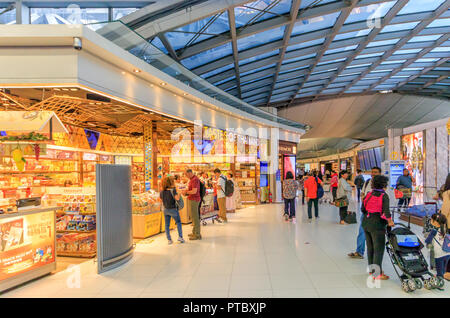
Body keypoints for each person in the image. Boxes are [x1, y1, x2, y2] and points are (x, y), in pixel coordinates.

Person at [361, 175, 395, 280]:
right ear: (384, 185)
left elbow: (363, 209)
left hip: (366, 223)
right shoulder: (383, 196)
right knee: (378, 249)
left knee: (370, 248)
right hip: (377, 224)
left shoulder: (369, 194)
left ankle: (372, 270)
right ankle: (377, 273)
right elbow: (386, 212)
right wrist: (390, 221)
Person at [348, 166, 382, 259]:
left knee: (376, 234)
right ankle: (359, 252)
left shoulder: (383, 184)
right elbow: (362, 193)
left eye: (375, 172)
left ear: (380, 173)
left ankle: (376, 254)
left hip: (377, 214)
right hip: (366, 211)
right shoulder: (367, 182)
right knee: (362, 231)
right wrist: (364, 199)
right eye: (372, 172)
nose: (373, 174)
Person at [424, 214, 450, 288]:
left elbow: (427, 240)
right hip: (448, 252)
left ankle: (439, 282)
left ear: (435, 222)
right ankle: (442, 277)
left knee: (439, 269)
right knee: (443, 268)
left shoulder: (434, 231)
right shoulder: (446, 229)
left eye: (432, 220)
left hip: (439, 254)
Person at [159, 176, 184, 244]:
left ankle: (169, 240)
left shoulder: (162, 191)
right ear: (171, 182)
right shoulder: (173, 190)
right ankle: (180, 237)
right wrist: (179, 193)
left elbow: (161, 200)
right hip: (173, 209)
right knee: (178, 222)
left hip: (166, 210)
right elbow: (177, 199)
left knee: (167, 225)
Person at [182, 169, 202, 240]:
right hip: (193, 199)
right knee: (193, 217)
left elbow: (194, 191)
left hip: (194, 199)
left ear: (190, 173)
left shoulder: (194, 180)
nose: (186, 176)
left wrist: (186, 192)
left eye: (186, 174)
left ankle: (197, 234)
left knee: (195, 217)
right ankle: (194, 232)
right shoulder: (192, 179)